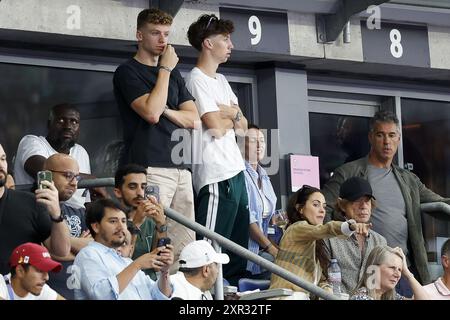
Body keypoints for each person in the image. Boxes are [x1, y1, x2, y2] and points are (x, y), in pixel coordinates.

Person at [322, 110, 450, 292]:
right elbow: (322, 209)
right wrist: (341, 239)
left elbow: (441, 204)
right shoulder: (348, 172)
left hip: (401, 268)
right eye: (381, 135)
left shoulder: (409, 179)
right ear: (371, 137)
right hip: (368, 268)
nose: (386, 141)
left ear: (398, 138)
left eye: (391, 135)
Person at [113, 8, 199, 269]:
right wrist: (163, 70)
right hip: (150, 165)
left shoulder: (174, 74)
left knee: (184, 245)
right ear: (139, 35)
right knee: (152, 236)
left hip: (181, 167)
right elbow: (150, 113)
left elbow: (194, 119)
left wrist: (165, 109)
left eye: (166, 34)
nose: (163, 40)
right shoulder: (128, 72)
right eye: (155, 33)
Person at [185, 14, 249, 285]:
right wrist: (232, 115)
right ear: (208, 43)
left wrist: (231, 114)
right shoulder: (195, 78)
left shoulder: (221, 81)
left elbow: (244, 126)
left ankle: (231, 292)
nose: (230, 45)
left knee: (236, 248)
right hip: (213, 173)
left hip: (236, 169)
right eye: (225, 39)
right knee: (209, 249)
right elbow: (215, 127)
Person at [269, 185, 370, 299]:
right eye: (316, 205)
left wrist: (328, 291)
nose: (322, 210)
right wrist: (350, 226)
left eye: (324, 206)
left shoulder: (315, 241)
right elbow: (326, 229)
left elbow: (320, 280)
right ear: (300, 208)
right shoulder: (296, 228)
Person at [73, 199, 174, 300]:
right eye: (113, 221)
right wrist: (136, 265)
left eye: (123, 221)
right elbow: (102, 296)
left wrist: (164, 271)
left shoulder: (126, 261)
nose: (121, 227)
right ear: (96, 227)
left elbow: (161, 296)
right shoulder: (88, 254)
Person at [0, 143, 71, 275]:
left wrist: (56, 215)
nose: (1, 165)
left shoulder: (31, 202)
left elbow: (61, 252)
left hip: (24, 292)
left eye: (3, 159)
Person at [13, 103, 100, 208]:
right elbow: (46, 172)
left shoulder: (81, 152)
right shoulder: (32, 142)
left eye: (74, 122)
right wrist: (90, 180)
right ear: (49, 124)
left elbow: (85, 200)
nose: (68, 126)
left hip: (76, 219)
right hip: (37, 213)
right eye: (61, 120)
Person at [324, 177, 387, 294]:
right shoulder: (330, 238)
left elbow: (378, 285)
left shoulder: (380, 241)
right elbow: (322, 282)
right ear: (342, 205)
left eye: (367, 201)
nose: (363, 206)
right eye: (357, 200)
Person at [43, 153, 92, 299]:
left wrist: (60, 241)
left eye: (76, 177)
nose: (74, 183)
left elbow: (97, 247)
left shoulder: (80, 212)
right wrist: (78, 246)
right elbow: (52, 252)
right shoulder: (33, 209)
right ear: (46, 176)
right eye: (68, 175)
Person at [113, 164, 167, 280]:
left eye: (143, 187)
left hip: (149, 286)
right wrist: (135, 224)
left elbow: (159, 265)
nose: (140, 193)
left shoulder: (150, 220)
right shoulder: (110, 220)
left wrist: (161, 226)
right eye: (133, 187)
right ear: (118, 192)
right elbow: (121, 261)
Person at [243, 124, 278, 279]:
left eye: (262, 141)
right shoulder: (239, 174)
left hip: (263, 248)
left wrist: (278, 218)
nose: (259, 146)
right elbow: (248, 220)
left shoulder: (264, 175)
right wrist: (270, 247)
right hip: (248, 252)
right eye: (252, 140)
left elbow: (269, 218)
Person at [350, 245, 429, 300]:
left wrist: (408, 274)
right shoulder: (360, 297)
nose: (397, 275)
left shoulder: (391, 297)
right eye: (392, 268)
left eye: (400, 270)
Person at [0, 242, 65, 300]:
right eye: (40, 270)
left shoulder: (39, 288)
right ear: (20, 271)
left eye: (47, 271)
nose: (47, 277)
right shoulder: (1, 284)